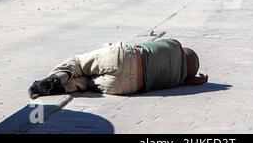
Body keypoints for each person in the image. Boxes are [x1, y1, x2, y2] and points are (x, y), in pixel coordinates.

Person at [28, 38, 208, 99]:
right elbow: (188, 78)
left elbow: (147, 45)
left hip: (123, 57)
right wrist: (193, 79)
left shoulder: (174, 44)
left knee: (79, 64)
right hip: (127, 87)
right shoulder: (177, 80)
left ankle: (60, 76)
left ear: (182, 51)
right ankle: (63, 87)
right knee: (87, 83)